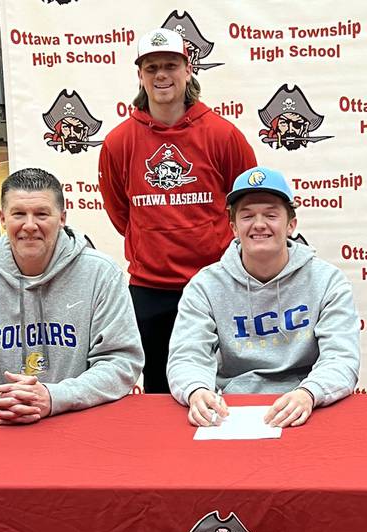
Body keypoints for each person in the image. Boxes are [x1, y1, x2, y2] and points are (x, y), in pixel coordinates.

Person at [98, 27, 256, 393]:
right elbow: (122, 213)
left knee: (231, 384)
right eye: (151, 68)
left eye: (170, 65)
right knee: (160, 388)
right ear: (140, 75)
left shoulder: (222, 134)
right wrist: (153, 241)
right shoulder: (119, 142)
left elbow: (248, 203)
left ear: (188, 70)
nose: (161, 75)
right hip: (151, 289)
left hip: (219, 284)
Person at [0, 168, 144, 423]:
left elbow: (121, 361)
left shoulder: (101, 274)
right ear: (2, 218)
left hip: (79, 424)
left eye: (41, 214)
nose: (30, 225)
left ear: (62, 218)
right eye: (19, 214)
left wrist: (54, 397)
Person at [167, 166, 360, 428]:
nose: (259, 224)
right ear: (234, 227)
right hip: (230, 409)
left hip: (308, 404)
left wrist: (309, 393)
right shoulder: (205, 285)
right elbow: (187, 355)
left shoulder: (328, 281)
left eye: (271, 214)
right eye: (247, 216)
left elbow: (342, 358)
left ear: (291, 225)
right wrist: (196, 390)